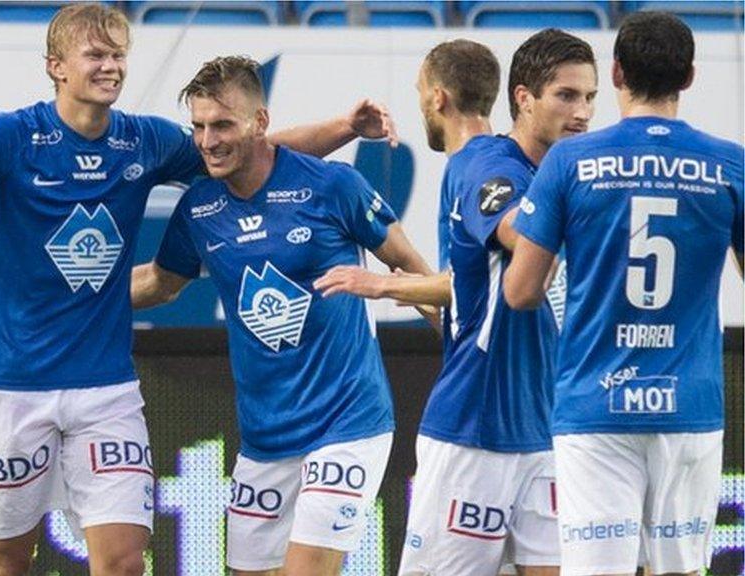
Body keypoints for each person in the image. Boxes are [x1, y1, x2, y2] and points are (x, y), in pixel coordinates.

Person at [0, 5, 399, 575]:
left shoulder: (145, 140)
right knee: (3, 559)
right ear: (55, 67)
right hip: (13, 388)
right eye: (95, 56)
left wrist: (345, 126)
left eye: (118, 56)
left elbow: (248, 149)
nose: (110, 67)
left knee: (126, 560)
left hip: (106, 389)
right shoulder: (9, 137)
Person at [130, 55, 435, 576]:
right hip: (265, 440)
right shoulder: (199, 208)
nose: (208, 141)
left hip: (347, 422)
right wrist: (68, 298)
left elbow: (413, 270)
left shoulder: (333, 186)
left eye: (223, 124)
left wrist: (466, 339)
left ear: (260, 122)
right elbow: (161, 283)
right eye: (199, 126)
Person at [315, 31, 598, 575]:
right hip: (477, 429)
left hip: (545, 430)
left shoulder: (517, 170)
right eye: (567, 96)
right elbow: (513, 241)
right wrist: (390, 285)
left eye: (588, 98)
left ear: (436, 97)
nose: (582, 112)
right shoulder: (488, 167)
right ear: (521, 97)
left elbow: (484, 272)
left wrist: (389, 285)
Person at [504, 12, 743, 576]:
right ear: (688, 77)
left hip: (596, 404)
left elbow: (520, 292)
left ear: (614, 72)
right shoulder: (729, 162)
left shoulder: (570, 160)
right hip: (690, 404)